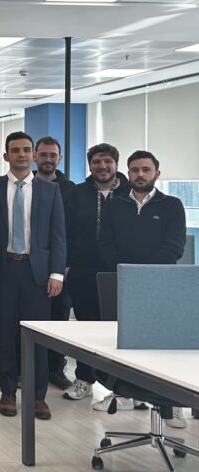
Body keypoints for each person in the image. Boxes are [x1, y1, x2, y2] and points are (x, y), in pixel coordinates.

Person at [97, 149, 187, 426]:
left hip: (160, 284)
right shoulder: (114, 205)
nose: (140, 174)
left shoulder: (172, 205)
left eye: (146, 170)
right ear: (128, 173)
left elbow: (174, 247)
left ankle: (170, 404)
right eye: (134, 170)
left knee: (161, 346)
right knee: (123, 343)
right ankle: (124, 394)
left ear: (156, 173)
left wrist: (142, 274)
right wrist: (126, 272)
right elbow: (105, 244)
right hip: (122, 282)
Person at [0, 132, 66, 421]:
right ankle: (8, 391)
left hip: (38, 273)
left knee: (37, 336)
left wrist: (56, 273)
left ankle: (37, 396)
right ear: (6, 155)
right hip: (4, 270)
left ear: (33, 155)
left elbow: (58, 235)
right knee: (5, 334)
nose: (21, 154)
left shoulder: (50, 190)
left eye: (26, 150)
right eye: (15, 150)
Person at [61, 143, 129, 402]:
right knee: (86, 327)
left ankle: (121, 387)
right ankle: (84, 379)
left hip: (119, 270)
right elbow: (65, 230)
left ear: (116, 164)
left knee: (118, 329)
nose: (103, 166)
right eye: (97, 162)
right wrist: (66, 263)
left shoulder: (129, 193)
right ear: (90, 165)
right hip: (83, 269)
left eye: (108, 161)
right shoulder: (76, 193)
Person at [32, 137, 76, 391]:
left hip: (60, 267)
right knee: (28, 321)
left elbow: (71, 231)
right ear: (35, 156)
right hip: (30, 265)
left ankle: (55, 369)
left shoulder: (71, 190)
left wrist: (64, 265)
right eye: (43, 155)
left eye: (53, 155)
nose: (48, 159)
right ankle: (26, 368)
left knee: (58, 319)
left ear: (59, 158)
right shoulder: (25, 185)